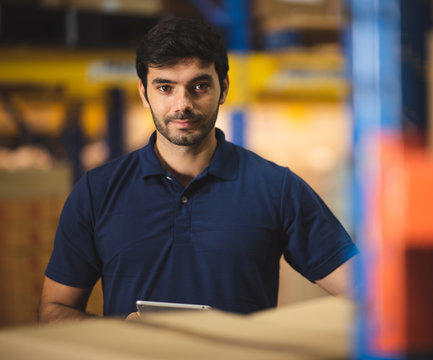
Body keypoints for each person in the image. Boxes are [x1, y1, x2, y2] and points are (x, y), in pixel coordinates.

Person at [39, 17, 358, 323]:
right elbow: (54, 311)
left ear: (224, 87)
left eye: (199, 86)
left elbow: (367, 293)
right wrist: (118, 334)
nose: (182, 104)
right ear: (143, 93)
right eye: (165, 88)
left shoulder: (277, 188)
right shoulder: (97, 192)